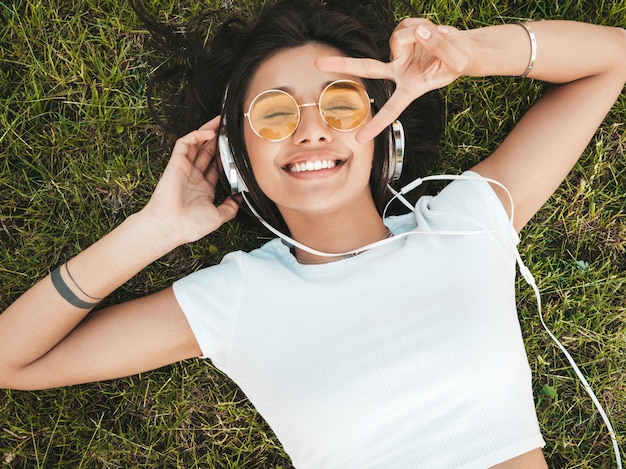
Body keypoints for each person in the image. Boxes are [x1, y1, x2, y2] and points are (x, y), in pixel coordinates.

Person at [0, 0, 624, 467]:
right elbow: (12, 362)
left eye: (340, 106)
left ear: (383, 126)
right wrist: (152, 230)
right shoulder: (236, 299)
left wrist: (476, 54)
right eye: (274, 113)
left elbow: (612, 59)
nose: (311, 130)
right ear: (235, 152)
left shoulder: (466, 223)